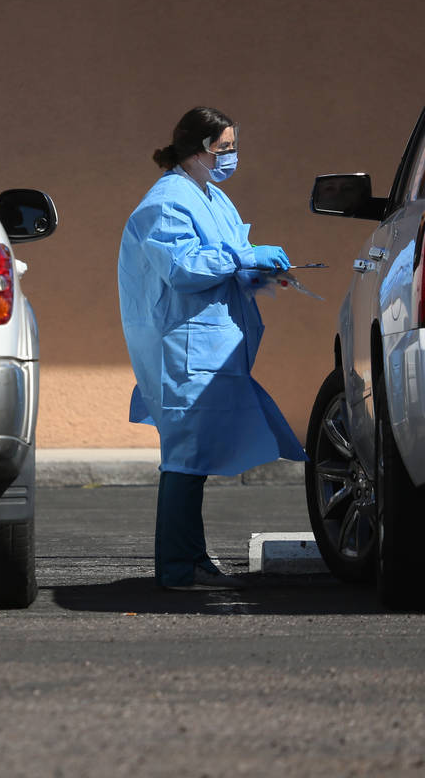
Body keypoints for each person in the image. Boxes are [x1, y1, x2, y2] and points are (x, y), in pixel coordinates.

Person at [118, 107, 307, 590]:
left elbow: (221, 259)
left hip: (211, 341)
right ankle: (177, 569)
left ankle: (194, 559)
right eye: (225, 148)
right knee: (185, 456)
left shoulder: (211, 196)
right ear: (199, 148)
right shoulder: (165, 202)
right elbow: (183, 267)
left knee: (196, 456)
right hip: (185, 345)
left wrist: (256, 269)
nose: (231, 157)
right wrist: (243, 256)